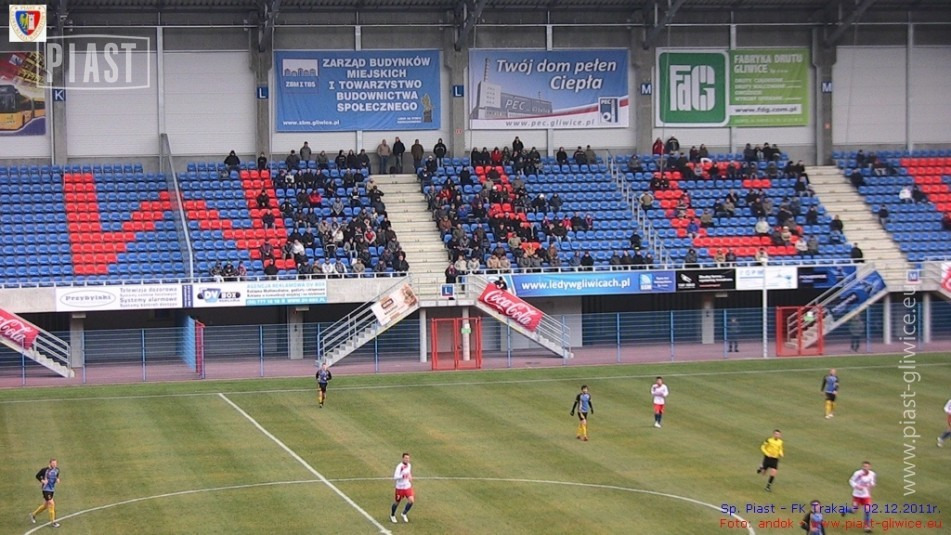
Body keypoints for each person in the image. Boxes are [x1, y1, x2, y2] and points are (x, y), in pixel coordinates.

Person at [844, 461, 876, 533]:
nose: (865, 468)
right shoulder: (857, 473)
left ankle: (867, 527)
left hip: (866, 495)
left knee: (867, 510)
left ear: (870, 467)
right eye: (864, 466)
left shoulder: (872, 474)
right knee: (854, 511)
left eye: (867, 466)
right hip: (857, 495)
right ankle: (845, 510)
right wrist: (857, 486)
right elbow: (851, 481)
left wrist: (871, 485)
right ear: (862, 467)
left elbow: (872, 482)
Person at [30, 458, 61, 527]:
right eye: (53, 463)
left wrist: (57, 480)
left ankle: (33, 514)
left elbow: (56, 477)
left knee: (46, 505)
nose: (55, 465)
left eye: (55, 463)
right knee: (51, 503)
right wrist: (42, 481)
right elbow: (37, 476)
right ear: (50, 463)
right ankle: (53, 522)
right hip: (46, 489)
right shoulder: (45, 470)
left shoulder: (57, 470)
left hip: (52, 489)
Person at [390, 452, 414, 523]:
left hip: (407, 486)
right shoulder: (399, 467)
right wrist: (403, 476)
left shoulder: (409, 465)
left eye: (408, 458)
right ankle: (392, 515)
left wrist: (410, 476)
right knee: (397, 502)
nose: (407, 459)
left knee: (411, 500)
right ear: (403, 458)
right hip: (400, 488)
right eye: (406, 458)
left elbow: (408, 472)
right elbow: (395, 477)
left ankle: (404, 513)